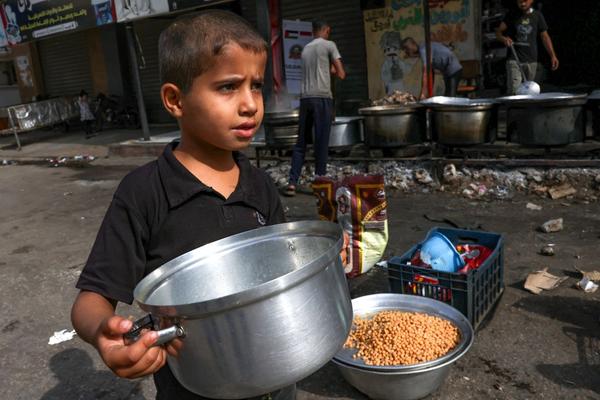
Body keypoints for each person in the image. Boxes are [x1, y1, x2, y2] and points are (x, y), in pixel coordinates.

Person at [70, 10, 293, 400]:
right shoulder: (144, 193)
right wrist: (104, 332)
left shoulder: (260, 186)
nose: (250, 105)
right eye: (227, 87)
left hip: (275, 380)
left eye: (255, 86)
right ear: (175, 100)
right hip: (192, 389)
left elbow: (283, 272)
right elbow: (92, 298)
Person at [284, 20, 345, 197]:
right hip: (322, 98)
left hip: (306, 98)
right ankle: (320, 183)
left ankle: (292, 183)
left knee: (301, 142)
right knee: (321, 141)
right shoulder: (329, 45)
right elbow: (341, 73)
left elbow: (321, 70)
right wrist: (335, 68)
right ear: (327, 30)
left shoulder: (306, 49)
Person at [495, 0, 559, 95]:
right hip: (514, 58)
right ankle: (513, 109)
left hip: (531, 59)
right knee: (514, 91)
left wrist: (553, 55)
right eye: (520, 1)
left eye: (525, 1)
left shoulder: (537, 15)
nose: (523, 4)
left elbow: (545, 37)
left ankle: (527, 110)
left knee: (531, 92)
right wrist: (504, 39)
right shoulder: (512, 15)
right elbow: (498, 32)